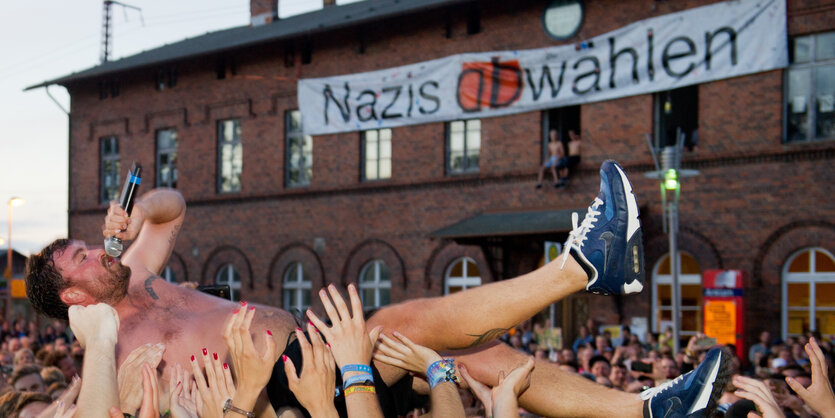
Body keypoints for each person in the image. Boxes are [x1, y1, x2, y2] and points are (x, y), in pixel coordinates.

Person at [25, 160, 727, 417]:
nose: (97, 247)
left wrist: (135, 217)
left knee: (471, 357)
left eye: (90, 242)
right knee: (408, 320)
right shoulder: (112, 349)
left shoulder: (139, 273)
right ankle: (582, 268)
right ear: (76, 299)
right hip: (291, 397)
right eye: (83, 255)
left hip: (312, 344)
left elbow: (172, 203)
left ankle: (646, 413)